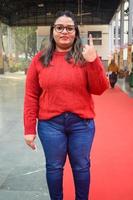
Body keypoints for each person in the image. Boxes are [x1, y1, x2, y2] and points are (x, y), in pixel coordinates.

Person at [23, 10, 109, 200]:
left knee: (81, 166)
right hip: (50, 125)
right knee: (54, 167)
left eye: (69, 28)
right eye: (59, 27)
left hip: (81, 124)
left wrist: (94, 61)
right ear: (53, 31)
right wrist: (29, 128)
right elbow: (31, 95)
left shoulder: (84, 57)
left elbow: (100, 88)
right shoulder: (40, 59)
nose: (64, 32)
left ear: (76, 32)